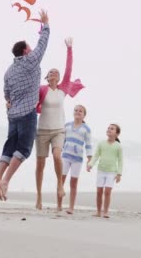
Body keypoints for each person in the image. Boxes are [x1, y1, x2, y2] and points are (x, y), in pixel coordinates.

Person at [0, 9, 50, 201]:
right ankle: (5, 180)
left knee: (10, 146)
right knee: (24, 149)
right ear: (25, 51)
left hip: (13, 115)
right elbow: (43, 45)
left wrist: (9, 102)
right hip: (27, 113)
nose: (32, 48)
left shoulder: (9, 71)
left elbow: (6, 94)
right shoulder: (30, 61)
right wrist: (46, 24)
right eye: (29, 46)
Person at [34, 36, 85, 210]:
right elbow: (33, 104)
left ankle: (59, 185)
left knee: (57, 156)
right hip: (42, 131)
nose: (55, 73)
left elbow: (68, 68)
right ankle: (39, 196)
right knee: (40, 164)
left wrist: (69, 49)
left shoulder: (63, 89)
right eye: (51, 72)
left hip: (58, 130)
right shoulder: (41, 89)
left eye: (57, 72)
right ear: (47, 77)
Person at [59, 105, 92, 214]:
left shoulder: (86, 129)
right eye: (76, 110)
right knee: (61, 181)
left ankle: (71, 207)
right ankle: (59, 206)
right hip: (65, 157)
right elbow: (61, 140)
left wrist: (89, 159)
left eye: (80, 111)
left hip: (77, 159)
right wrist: (58, 150)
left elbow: (88, 145)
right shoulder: (67, 126)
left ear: (84, 115)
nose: (78, 112)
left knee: (73, 183)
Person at [87, 124, 123, 218]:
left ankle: (106, 212)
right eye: (108, 128)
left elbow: (120, 161)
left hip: (112, 172)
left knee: (107, 192)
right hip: (101, 171)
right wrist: (90, 164)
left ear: (117, 133)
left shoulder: (118, 146)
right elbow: (96, 156)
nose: (109, 130)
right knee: (99, 191)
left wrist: (119, 174)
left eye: (112, 129)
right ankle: (98, 212)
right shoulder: (101, 143)